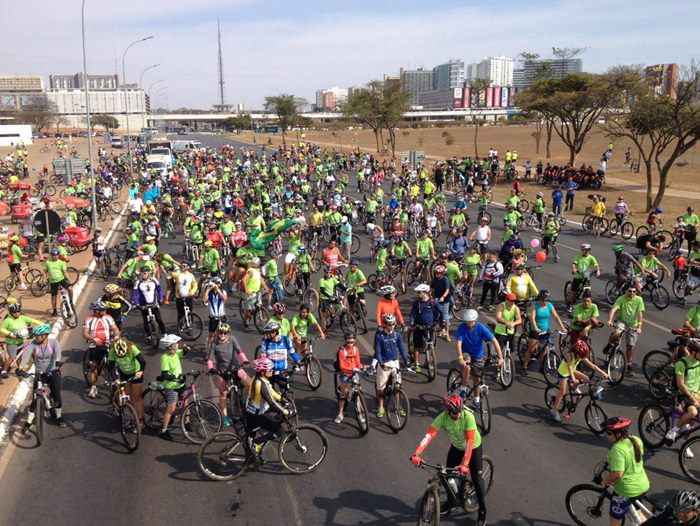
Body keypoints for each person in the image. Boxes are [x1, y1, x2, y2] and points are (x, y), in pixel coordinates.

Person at [410, 394, 487, 525]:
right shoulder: (443, 417)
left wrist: (465, 464)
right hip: (457, 447)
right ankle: (452, 502)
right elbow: (429, 436)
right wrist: (416, 453)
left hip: (473, 447)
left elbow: (469, 442)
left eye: (459, 412)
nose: (457, 416)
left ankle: (482, 511)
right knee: (448, 475)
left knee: (477, 479)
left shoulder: (468, 416)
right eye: (454, 414)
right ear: (448, 412)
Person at [601, 417, 650, 526]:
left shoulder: (617, 449)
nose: (606, 435)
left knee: (615, 517)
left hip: (627, 489)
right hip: (643, 484)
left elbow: (617, 474)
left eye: (609, 433)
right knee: (638, 511)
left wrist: (605, 481)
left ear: (618, 434)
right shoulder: (635, 440)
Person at [19, 323, 66, 428]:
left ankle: (59, 417)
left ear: (45, 335)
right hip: (39, 373)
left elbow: (58, 353)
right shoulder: (33, 344)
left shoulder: (53, 343)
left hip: (53, 371)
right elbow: (26, 356)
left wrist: (58, 362)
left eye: (38, 336)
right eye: (35, 336)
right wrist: (21, 367)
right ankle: (29, 421)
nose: (36, 338)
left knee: (56, 395)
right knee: (35, 397)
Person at [550, 339, 609, 422]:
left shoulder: (581, 355)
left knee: (586, 379)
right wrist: (574, 379)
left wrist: (603, 373)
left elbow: (593, 366)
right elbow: (570, 367)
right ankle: (554, 411)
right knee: (562, 392)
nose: (582, 358)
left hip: (572, 371)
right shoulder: (570, 355)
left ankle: (574, 389)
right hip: (563, 373)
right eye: (581, 356)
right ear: (576, 352)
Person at [243, 357, 290, 456]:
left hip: (250, 411)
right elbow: (271, 402)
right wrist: (284, 411)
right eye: (269, 369)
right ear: (263, 372)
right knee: (278, 431)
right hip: (255, 414)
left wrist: (281, 398)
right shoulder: (261, 384)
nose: (271, 371)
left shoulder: (259, 379)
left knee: (249, 439)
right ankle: (256, 445)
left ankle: (252, 455)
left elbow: (271, 392)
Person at [206, 323, 250, 427]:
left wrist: (244, 360)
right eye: (220, 332)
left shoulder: (232, 339)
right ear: (217, 333)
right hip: (222, 372)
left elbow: (239, 351)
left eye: (225, 333)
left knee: (250, 383)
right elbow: (210, 358)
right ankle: (225, 417)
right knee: (223, 394)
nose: (222, 335)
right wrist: (211, 368)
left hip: (235, 367)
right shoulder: (214, 343)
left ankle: (250, 404)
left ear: (228, 334)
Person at [455, 309, 502, 403]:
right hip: (466, 353)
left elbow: (494, 341)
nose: (468, 323)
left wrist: (500, 357)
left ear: (475, 320)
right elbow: (458, 343)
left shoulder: (481, 328)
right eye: (467, 321)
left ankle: (476, 400)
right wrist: (460, 357)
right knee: (467, 366)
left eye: (470, 321)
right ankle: (463, 388)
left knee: (477, 380)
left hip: (478, 355)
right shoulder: (462, 328)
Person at [373, 313, 409, 418]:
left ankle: (398, 406)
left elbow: (402, 349)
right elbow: (378, 352)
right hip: (384, 363)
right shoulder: (380, 337)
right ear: (385, 324)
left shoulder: (397, 335)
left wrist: (406, 361)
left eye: (393, 324)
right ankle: (381, 406)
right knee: (381, 388)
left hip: (394, 363)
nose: (391, 326)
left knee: (397, 386)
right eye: (389, 324)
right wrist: (381, 363)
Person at [521, 289, 565, 374]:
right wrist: (535, 328)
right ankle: (525, 366)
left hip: (546, 330)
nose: (546, 300)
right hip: (536, 331)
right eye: (544, 298)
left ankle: (541, 367)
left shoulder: (549, 305)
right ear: (541, 298)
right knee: (531, 349)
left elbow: (556, 317)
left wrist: (562, 327)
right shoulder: (535, 306)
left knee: (544, 351)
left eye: (547, 298)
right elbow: (532, 318)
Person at [82, 301, 119, 398]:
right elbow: (85, 333)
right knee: (94, 366)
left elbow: (115, 328)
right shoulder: (89, 319)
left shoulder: (108, 318)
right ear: (97, 311)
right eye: (103, 310)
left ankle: (115, 378)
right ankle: (93, 387)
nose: (105, 311)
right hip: (95, 345)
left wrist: (116, 336)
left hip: (107, 343)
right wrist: (93, 339)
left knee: (114, 362)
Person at [665, 340, 700, 443]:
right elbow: (680, 385)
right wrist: (692, 398)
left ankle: (686, 444)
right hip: (683, 394)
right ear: (694, 352)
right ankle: (673, 431)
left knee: (693, 423)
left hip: (696, 394)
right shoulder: (682, 363)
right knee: (693, 412)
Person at [107, 337, 146, 426]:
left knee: (137, 398)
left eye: (124, 355)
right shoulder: (112, 351)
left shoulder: (132, 347)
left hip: (136, 372)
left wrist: (140, 371)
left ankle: (140, 421)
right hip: (124, 373)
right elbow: (110, 367)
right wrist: (115, 379)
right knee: (127, 396)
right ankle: (131, 415)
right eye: (119, 357)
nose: (122, 358)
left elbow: (143, 362)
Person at [606, 287, 645, 375]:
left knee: (630, 346)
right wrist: (610, 320)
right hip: (622, 321)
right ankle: (610, 345)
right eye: (630, 291)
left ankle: (629, 365)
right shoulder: (621, 298)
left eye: (634, 291)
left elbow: (640, 314)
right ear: (626, 291)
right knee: (617, 333)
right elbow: (613, 309)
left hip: (632, 325)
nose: (632, 293)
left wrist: (639, 326)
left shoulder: (639, 300)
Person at [157, 333, 187, 440]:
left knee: (185, 402)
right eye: (176, 343)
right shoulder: (165, 358)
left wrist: (186, 349)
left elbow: (183, 352)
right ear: (170, 346)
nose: (178, 345)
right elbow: (165, 374)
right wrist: (175, 378)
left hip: (181, 384)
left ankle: (186, 422)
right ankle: (164, 430)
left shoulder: (176, 353)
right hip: (171, 386)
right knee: (171, 409)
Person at [0, 302, 43, 375]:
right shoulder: (7, 320)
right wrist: (10, 333)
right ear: (11, 312)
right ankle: (4, 371)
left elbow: (33, 320)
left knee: (21, 356)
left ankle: (20, 370)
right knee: (12, 357)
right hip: (12, 342)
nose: (17, 313)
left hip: (20, 341)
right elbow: (1, 329)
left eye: (18, 311)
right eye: (15, 312)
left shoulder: (22, 318)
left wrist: (43, 325)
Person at [409, 284, 442, 371]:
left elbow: (439, 313)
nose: (418, 294)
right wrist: (412, 322)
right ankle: (417, 364)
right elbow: (412, 314)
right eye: (417, 292)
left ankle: (429, 362)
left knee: (432, 345)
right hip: (419, 327)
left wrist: (438, 323)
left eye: (419, 292)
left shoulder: (432, 302)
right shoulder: (417, 303)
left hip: (430, 327)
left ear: (425, 293)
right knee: (417, 346)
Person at [131, 267, 166, 345]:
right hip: (144, 305)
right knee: (145, 321)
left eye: (145, 273)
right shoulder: (138, 282)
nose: (143, 274)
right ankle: (148, 335)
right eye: (142, 273)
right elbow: (135, 294)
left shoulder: (154, 280)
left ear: (149, 273)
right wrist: (136, 303)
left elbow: (159, 290)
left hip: (154, 303)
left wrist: (161, 298)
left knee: (159, 319)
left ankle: (164, 332)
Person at [334, 332, 363, 424]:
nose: (350, 343)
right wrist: (352, 369)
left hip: (354, 373)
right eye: (349, 341)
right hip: (345, 374)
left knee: (359, 392)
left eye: (352, 341)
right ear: (346, 341)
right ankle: (340, 413)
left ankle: (360, 414)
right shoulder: (342, 351)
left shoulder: (356, 349)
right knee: (344, 394)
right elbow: (342, 366)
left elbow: (358, 362)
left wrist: (362, 367)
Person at [45, 248, 73, 317]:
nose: (55, 256)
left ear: (58, 255)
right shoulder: (48, 263)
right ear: (51, 255)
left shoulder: (61, 262)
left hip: (61, 280)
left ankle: (71, 301)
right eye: (53, 255)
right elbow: (45, 271)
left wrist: (69, 281)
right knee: (53, 296)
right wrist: (45, 279)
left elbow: (65, 272)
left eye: (56, 255)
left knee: (70, 289)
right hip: (53, 282)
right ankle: (54, 310)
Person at [201, 277, 228, 349]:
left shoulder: (223, 291)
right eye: (215, 283)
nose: (216, 285)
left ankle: (223, 348)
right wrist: (208, 289)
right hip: (213, 317)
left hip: (221, 317)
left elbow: (224, 299)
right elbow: (204, 300)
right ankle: (208, 349)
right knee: (211, 335)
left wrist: (218, 290)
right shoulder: (209, 293)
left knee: (224, 333)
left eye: (218, 283)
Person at [494, 293, 521, 358]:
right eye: (511, 300)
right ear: (506, 300)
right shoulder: (501, 306)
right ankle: (498, 359)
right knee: (499, 349)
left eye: (514, 301)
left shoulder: (515, 308)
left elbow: (519, 320)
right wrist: (507, 323)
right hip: (500, 331)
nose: (512, 302)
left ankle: (509, 361)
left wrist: (513, 323)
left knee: (511, 350)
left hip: (510, 331)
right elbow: (498, 318)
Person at [431, 265, 452, 340]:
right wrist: (431, 297)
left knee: (445, 317)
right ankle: (441, 329)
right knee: (437, 315)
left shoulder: (445, 280)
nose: (437, 274)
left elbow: (447, 290)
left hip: (445, 301)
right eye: (436, 273)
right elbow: (432, 289)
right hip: (436, 300)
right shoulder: (434, 280)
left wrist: (443, 297)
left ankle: (447, 333)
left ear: (442, 273)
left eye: (439, 273)